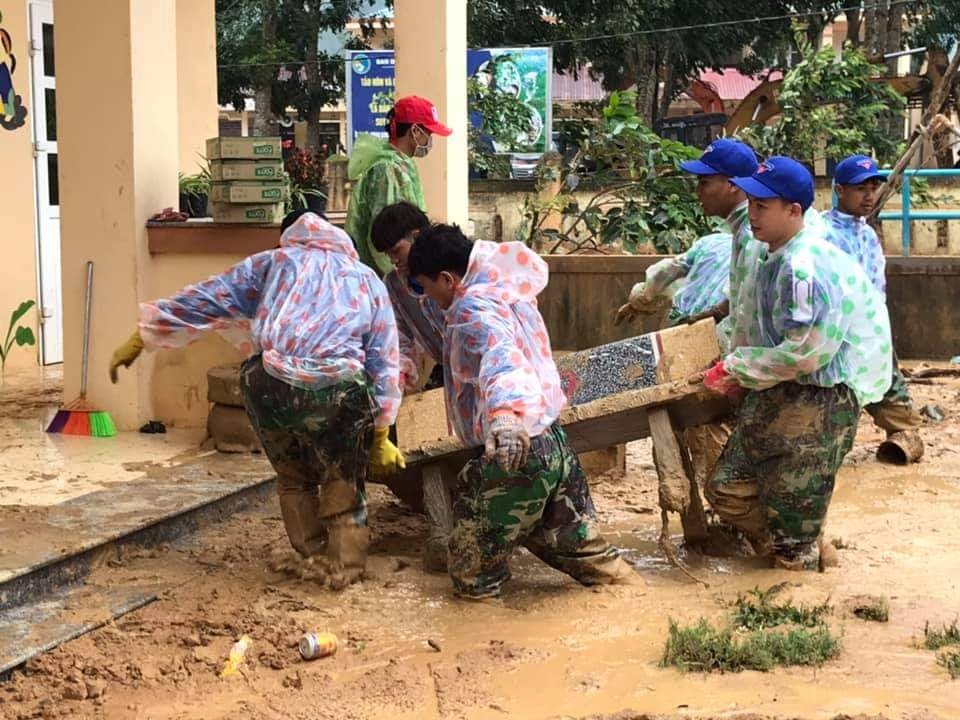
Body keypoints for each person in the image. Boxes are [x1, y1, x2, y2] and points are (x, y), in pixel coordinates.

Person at [108, 211, 405, 585]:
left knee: (294, 477)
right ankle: (344, 566)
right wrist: (381, 432)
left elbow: (208, 297)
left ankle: (312, 553)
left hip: (270, 386)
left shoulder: (273, 263)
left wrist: (146, 333)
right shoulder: (366, 279)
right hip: (337, 392)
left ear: (289, 239)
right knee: (341, 475)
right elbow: (384, 358)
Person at [407, 224, 635, 598]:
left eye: (422, 287)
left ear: (446, 279)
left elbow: (503, 361)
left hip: (517, 451)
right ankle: (650, 608)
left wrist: (506, 416)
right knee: (589, 557)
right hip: (552, 443)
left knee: (472, 576)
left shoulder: (472, 310)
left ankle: (492, 652)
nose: (424, 298)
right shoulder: (508, 291)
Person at [700, 157, 893, 572]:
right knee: (726, 488)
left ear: (794, 210)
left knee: (792, 534)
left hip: (820, 397)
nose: (752, 215)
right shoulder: (775, 254)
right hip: (782, 386)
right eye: (751, 204)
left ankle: (797, 590)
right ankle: (805, 542)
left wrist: (739, 367)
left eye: (763, 206)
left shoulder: (803, 267)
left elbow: (807, 352)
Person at [824, 154, 924, 464]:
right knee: (838, 403)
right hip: (837, 338)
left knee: (898, 408)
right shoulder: (822, 234)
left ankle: (901, 435)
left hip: (872, 334)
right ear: (840, 191)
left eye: (872, 187)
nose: (869, 196)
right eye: (860, 189)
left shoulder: (866, 233)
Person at [345, 95, 452, 276]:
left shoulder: (396, 165)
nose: (430, 141)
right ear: (415, 131)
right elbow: (389, 236)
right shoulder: (388, 170)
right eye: (429, 133)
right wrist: (397, 280)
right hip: (383, 276)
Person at [370, 201, 445, 392]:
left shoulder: (452, 268)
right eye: (388, 255)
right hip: (446, 367)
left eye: (396, 251)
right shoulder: (394, 285)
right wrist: (400, 374)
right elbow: (400, 339)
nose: (394, 260)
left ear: (417, 236)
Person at [614, 230, 732, 338]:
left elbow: (669, 270)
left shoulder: (715, 241)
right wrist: (640, 300)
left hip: (687, 325)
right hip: (717, 332)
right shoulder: (744, 249)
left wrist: (641, 299)